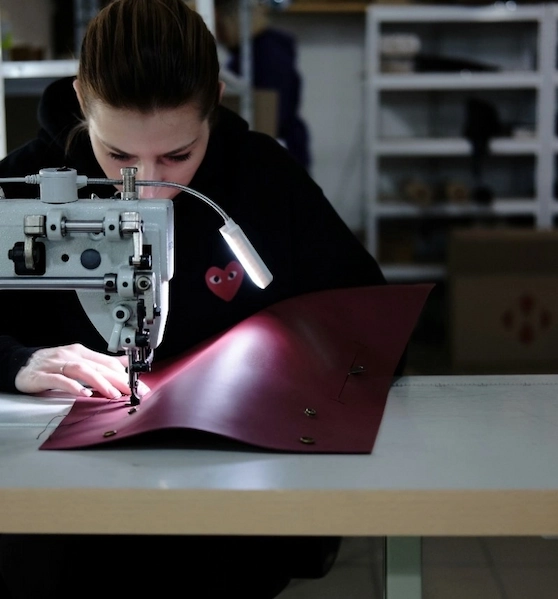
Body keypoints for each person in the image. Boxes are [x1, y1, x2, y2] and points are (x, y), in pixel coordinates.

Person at [0, 1, 394, 597]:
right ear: (83, 100)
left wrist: (284, 361)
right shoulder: (17, 190)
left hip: (224, 523)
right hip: (62, 530)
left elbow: (373, 321)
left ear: (213, 98)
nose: (150, 187)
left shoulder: (263, 179)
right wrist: (14, 362)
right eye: (120, 157)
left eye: (178, 157)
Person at [214, 0, 312, 170]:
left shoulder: (267, 56)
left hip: (280, 150)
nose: (217, 33)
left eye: (219, 25)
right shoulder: (246, 54)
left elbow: (272, 114)